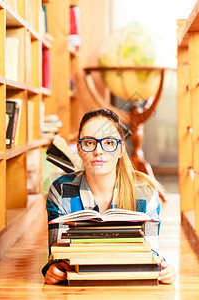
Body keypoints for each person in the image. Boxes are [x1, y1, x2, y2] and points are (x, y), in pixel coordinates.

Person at [42, 108, 176, 285]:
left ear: (121, 149)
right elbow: (58, 256)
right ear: (79, 150)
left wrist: (165, 270)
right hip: (79, 288)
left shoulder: (145, 192)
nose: (98, 151)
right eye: (89, 143)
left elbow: (151, 254)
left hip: (130, 287)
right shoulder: (59, 191)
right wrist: (54, 270)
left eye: (109, 143)